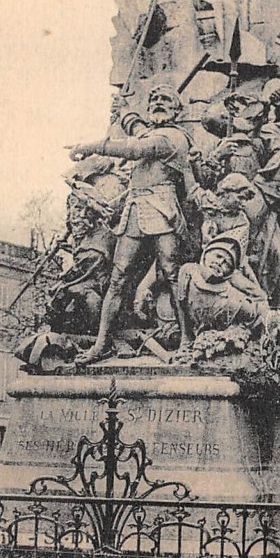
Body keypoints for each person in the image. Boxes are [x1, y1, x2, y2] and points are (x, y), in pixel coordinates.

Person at [68, 83, 198, 365]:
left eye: (166, 99)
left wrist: (87, 147)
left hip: (163, 209)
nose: (158, 103)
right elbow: (139, 131)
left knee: (172, 274)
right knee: (118, 278)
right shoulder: (154, 132)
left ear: (177, 110)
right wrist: (124, 111)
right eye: (154, 99)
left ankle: (188, 340)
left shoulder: (173, 137)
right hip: (136, 209)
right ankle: (102, 344)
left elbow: (135, 148)